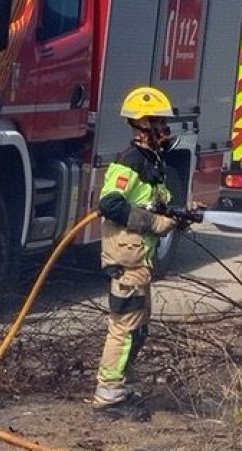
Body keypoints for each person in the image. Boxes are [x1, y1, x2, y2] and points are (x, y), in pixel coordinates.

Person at [93, 86, 188, 409]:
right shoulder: (130, 162)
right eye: (159, 122)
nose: (165, 130)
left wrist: (179, 215)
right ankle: (108, 393)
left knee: (138, 329)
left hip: (139, 263)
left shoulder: (151, 163)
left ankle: (122, 385)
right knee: (124, 328)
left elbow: (156, 205)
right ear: (143, 124)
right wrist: (154, 224)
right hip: (126, 261)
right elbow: (110, 204)